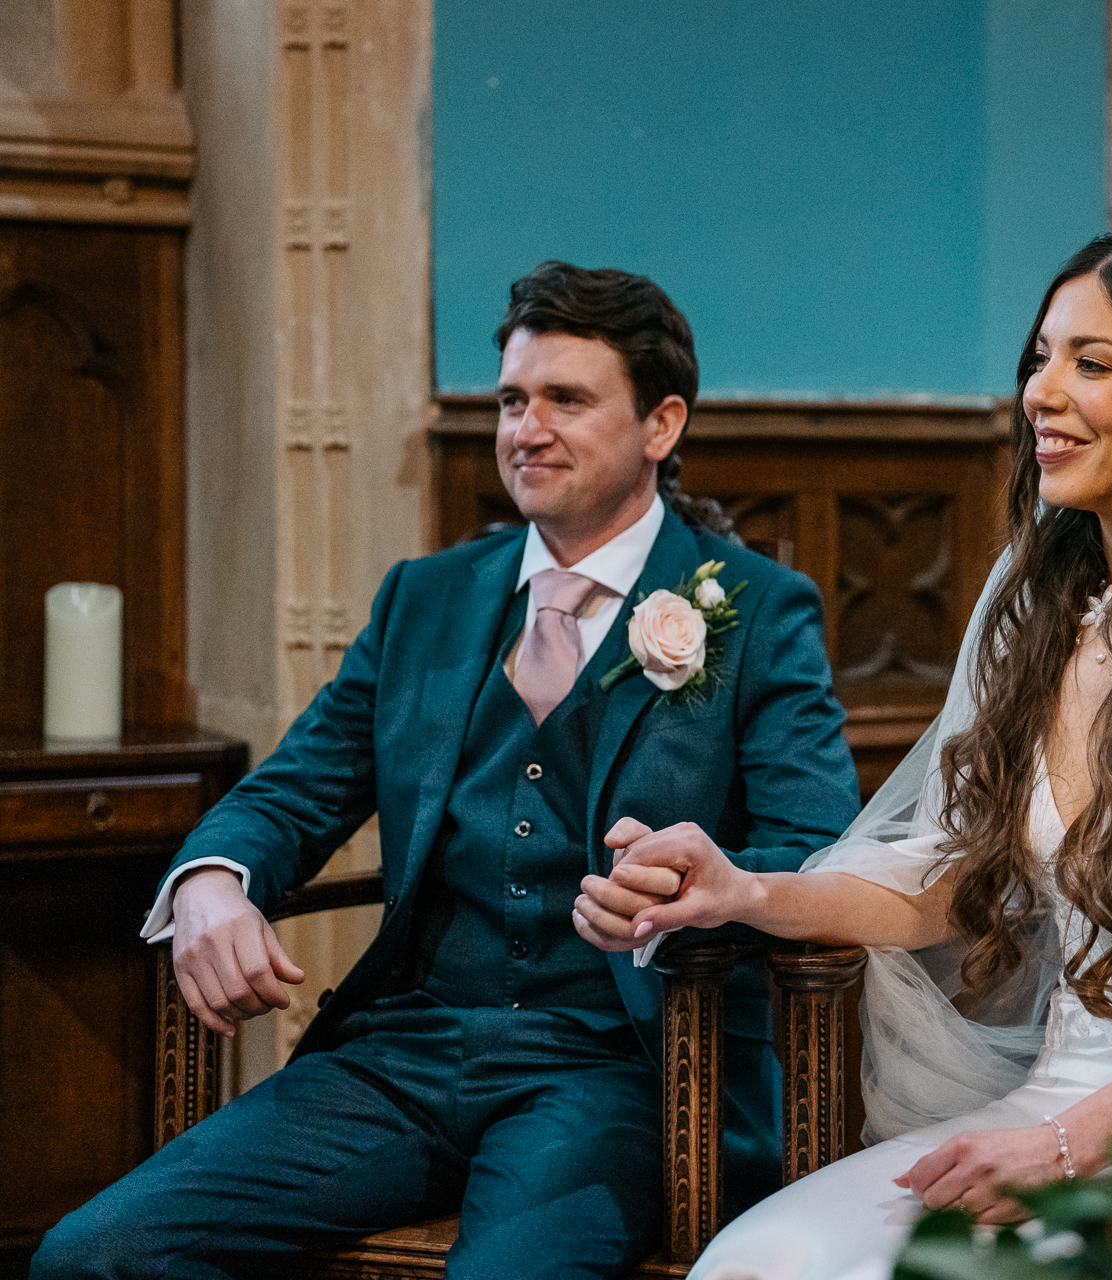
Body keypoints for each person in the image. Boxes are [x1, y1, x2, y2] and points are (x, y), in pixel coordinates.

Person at [575, 229, 1112, 1280]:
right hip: (1048, 1095)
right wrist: (745, 890)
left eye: (1090, 364)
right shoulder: (1048, 610)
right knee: (762, 1261)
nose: (1040, 393)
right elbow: (960, 879)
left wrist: (1077, 1141)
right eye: (1040, 357)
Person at [31, 262, 861, 1280]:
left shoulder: (756, 608)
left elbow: (814, 847)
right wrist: (215, 877)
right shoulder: (425, 597)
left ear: (662, 423)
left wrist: (706, 890)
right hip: (402, 1053)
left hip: (626, 1067)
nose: (526, 428)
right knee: (94, 1255)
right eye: (512, 400)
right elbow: (296, 787)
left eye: (567, 399)